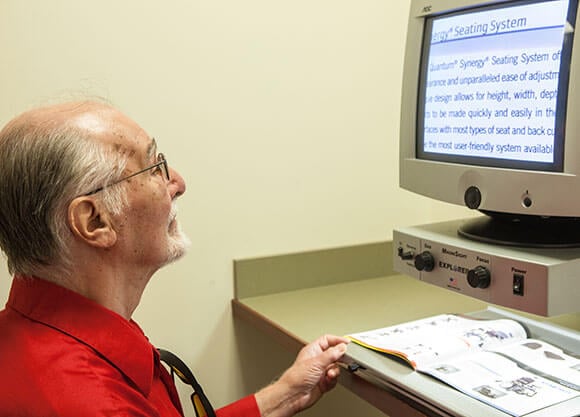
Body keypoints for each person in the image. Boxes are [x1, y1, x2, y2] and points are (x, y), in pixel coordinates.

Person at [0, 100, 349, 417]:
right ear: (94, 221)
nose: (178, 183)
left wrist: (285, 395)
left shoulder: (33, 340)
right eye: (154, 168)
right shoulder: (95, 403)